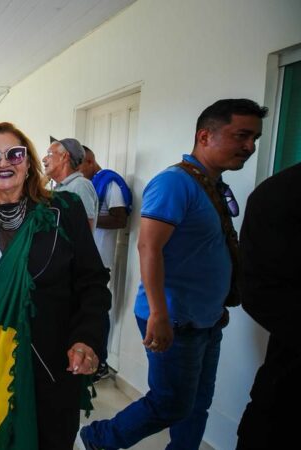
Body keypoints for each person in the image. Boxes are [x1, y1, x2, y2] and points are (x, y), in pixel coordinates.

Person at [80, 98, 267, 450]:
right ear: (205, 136)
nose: (250, 147)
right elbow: (149, 248)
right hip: (172, 318)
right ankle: (99, 438)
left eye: (255, 138)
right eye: (241, 135)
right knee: (170, 403)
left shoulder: (211, 184)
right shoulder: (174, 183)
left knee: (197, 404)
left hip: (206, 319)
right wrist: (159, 314)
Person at [0, 122, 110, 449]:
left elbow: (92, 282)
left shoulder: (64, 210)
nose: (4, 162)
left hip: (55, 362)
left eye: (15, 153)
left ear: (28, 163)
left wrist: (88, 338)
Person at [236, 162, 300, 449]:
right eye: (242, 135)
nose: (249, 147)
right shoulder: (281, 195)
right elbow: (257, 289)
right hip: (288, 384)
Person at [78, 146, 133, 380]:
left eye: (78, 165)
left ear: (90, 161)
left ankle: (100, 363)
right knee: (82, 312)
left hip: (101, 261)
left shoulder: (109, 182)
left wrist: (84, 220)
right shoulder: (87, 185)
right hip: (85, 259)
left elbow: (120, 218)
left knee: (98, 313)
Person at [43, 136, 98, 230]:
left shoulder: (80, 185)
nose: (44, 159)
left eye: (49, 154)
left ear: (64, 156)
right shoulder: (60, 187)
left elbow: (85, 231)